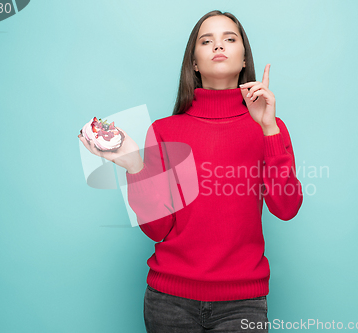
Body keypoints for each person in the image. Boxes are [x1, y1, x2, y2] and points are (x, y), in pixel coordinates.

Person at [78, 10, 303, 333]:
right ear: (194, 63)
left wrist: (268, 129)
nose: (218, 46)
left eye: (229, 38)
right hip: (169, 302)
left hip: (243, 303)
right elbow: (158, 230)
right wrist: (135, 167)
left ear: (243, 59)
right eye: (206, 40)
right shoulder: (164, 130)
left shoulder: (270, 127)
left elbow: (286, 208)